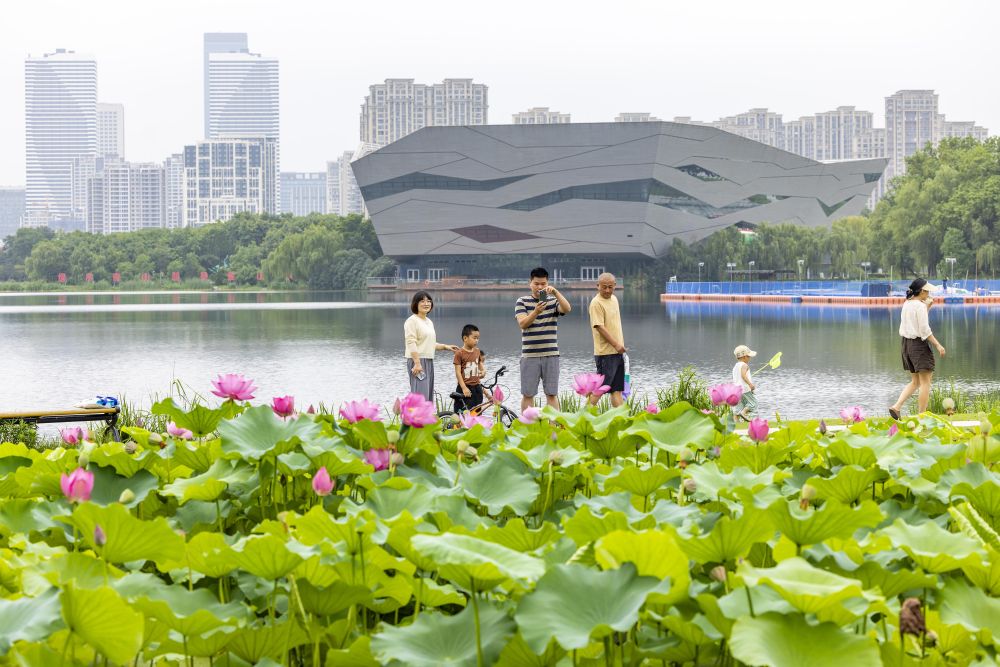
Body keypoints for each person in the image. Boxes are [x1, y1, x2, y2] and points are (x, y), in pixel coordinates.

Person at [889, 278, 946, 419]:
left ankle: (896, 407)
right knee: (926, 383)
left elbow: (916, 323)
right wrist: (938, 345)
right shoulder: (919, 306)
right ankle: (922, 416)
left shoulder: (907, 303)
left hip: (906, 345)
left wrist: (928, 307)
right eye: (927, 291)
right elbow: (924, 330)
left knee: (916, 382)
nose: (928, 294)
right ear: (921, 291)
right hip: (918, 346)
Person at [515, 267, 571, 411]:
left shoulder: (552, 302)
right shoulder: (522, 301)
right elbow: (523, 324)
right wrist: (536, 311)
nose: (540, 287)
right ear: (530, 283)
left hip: (551, 354)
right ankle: (528, 424)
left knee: (551, 394)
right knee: (528, 394)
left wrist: (556, 293)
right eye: (536, 283)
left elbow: (567, 309)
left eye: (543, 284)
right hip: (529, 355)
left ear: (548, 283)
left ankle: (553, 425)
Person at [403, 291, 459, 401]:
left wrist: (445, 347)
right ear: (416, 304)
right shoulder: (412, 321)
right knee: (420, 397)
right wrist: (417, 363)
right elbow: (411, 342)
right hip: (417, 362)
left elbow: (429, 343)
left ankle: (428, 413)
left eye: (429, 301)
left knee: (428, 397)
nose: (426, 304)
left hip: (428, 361)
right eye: (422, 301)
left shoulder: (428, 321)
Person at [588, 272, 626, 407]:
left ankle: (621, 417)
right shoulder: (596, 303)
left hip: (617, 352)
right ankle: (582, 416)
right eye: (604, 287)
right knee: (599, 390)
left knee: (616, 390)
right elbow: (599, 327)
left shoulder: (614, 299)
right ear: (597, 286)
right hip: (605, 353)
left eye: (610, 287)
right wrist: (616, 345)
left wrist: (619, 346)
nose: (607, 290)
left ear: (615, 285)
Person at [453, 324, 483, 412]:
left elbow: (480, 363)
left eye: (478, 338)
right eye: (474, 338)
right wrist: (464, 388)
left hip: (477, 387)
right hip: (465, 387)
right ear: (465, 338)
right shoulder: (459, 353)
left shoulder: (477, 351)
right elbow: (458, 372)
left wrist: (483, 371)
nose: (476, 340)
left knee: (477, 413)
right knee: (462, 413)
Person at [732, 345, 757, 420]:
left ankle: (736, 423)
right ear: (745, 357)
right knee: (753, 403)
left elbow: (738, 377)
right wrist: (750, 384)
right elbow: (743, 375)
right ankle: (743, 412)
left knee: (738, 408)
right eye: (749, 356)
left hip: (736, 390)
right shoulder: (744, 365)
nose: (749, 358)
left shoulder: (736, 366)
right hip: (744, 389)